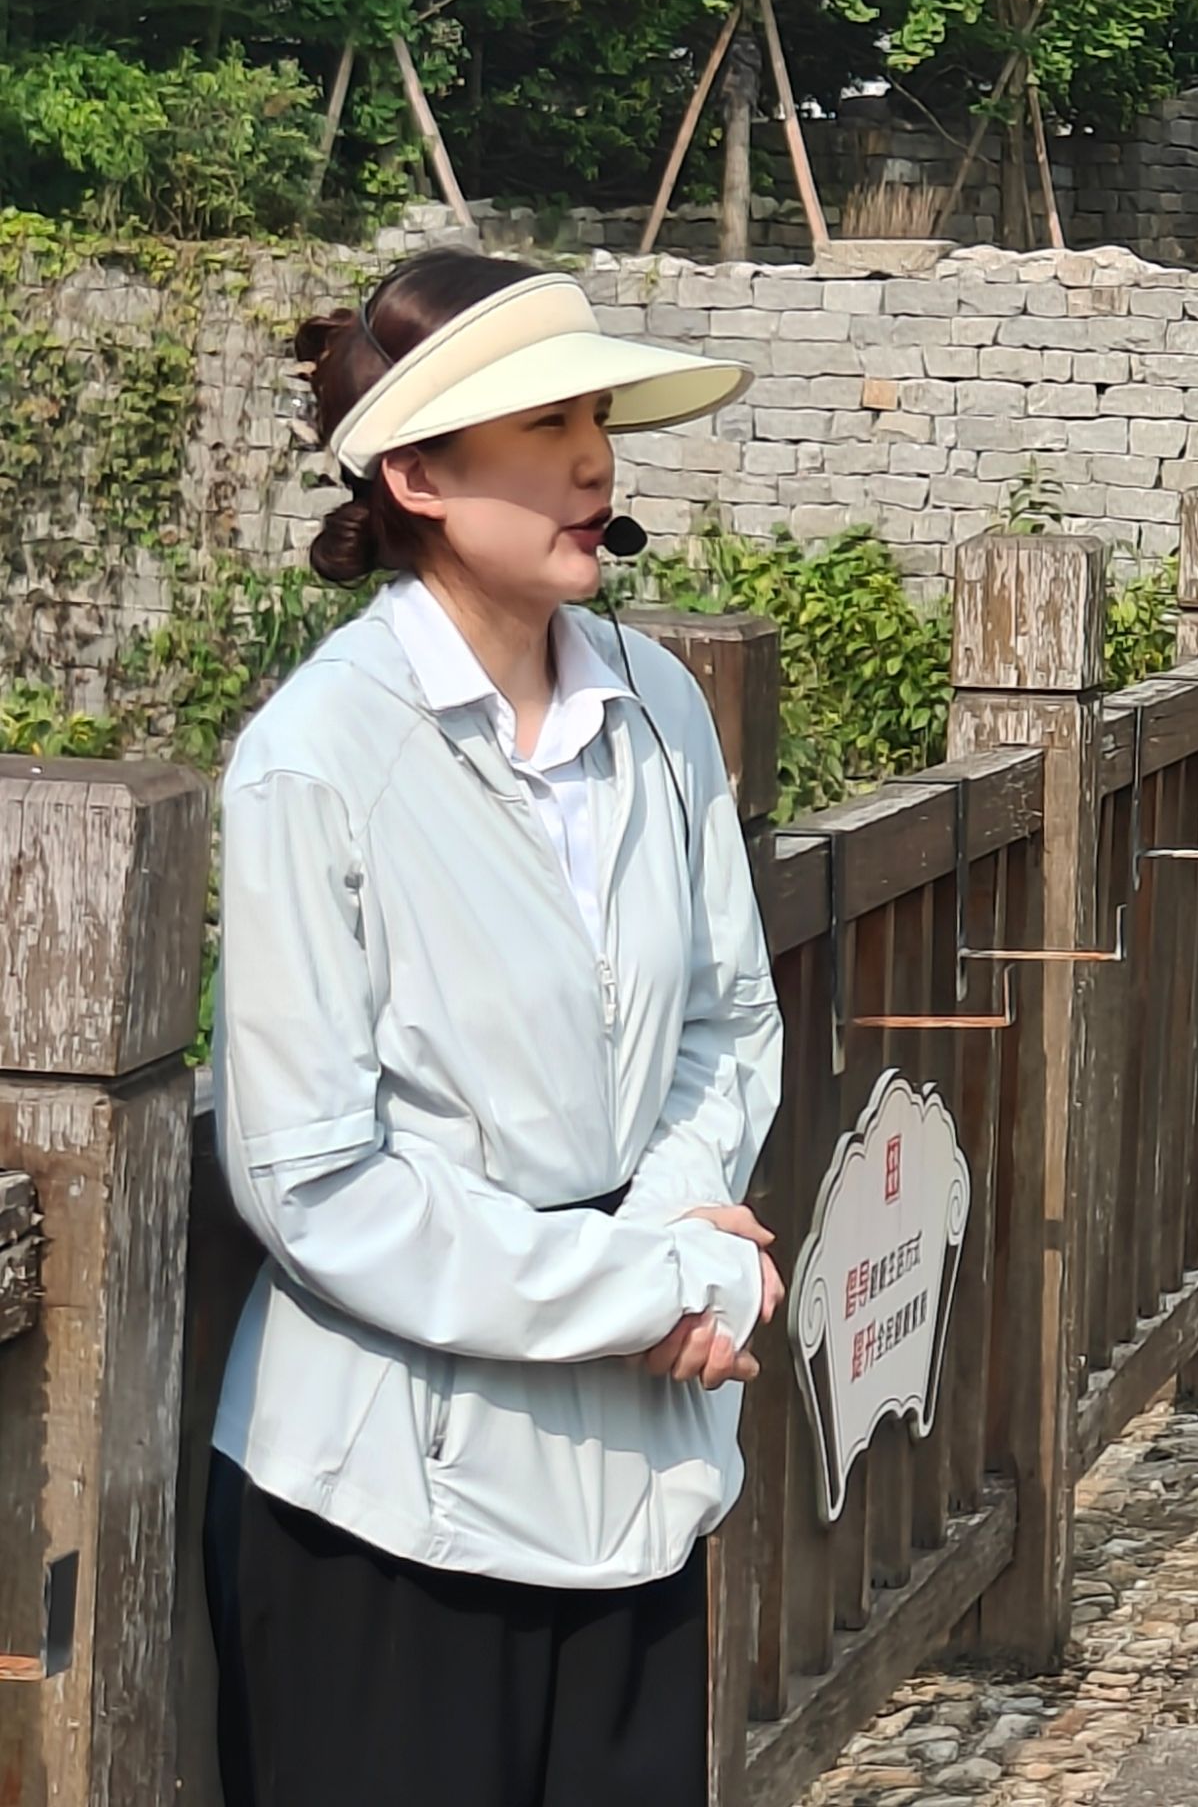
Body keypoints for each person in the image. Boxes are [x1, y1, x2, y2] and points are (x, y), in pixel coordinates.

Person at [204, 251, 781, 1807]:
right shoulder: (317, 760)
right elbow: (315, 1180)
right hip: (389, 1511)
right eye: (546, 424)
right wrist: (652, 1285)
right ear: (418, 476)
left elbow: (726, 1021)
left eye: (597, 420)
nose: (596, 463)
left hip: (638, 1473)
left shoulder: (658, 707)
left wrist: (678, 1222)